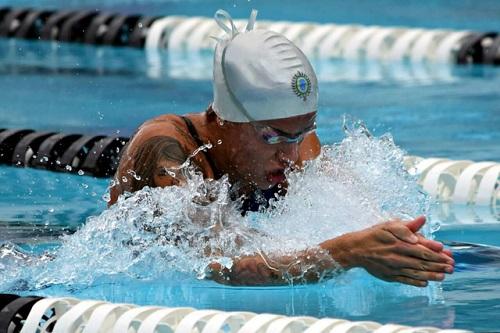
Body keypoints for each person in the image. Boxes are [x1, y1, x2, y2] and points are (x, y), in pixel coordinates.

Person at [109, 9, 454, 286]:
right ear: (223, 120)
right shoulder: (168, 152)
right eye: (271, 138)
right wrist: (348, 253)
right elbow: (216, 267)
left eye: (302, 134)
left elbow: (354, 218)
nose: (290, 156)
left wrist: (395, 243)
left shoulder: (296, 145)